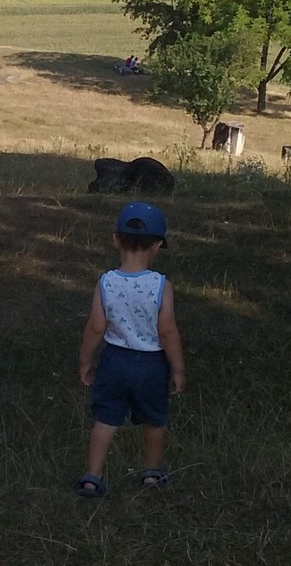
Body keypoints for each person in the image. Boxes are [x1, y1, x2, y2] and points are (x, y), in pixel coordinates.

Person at [76, 201, 185, 497]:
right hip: (151, 365)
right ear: (158, 245)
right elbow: (167, 330)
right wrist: (177, 368)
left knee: (106, 418)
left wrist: (86, 361)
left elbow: (95, 327)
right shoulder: (161, 285)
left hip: (114, 361)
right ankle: (151, 473)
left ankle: (92, 477)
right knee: (154, 419)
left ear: (115, 240)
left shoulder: (106, 282)